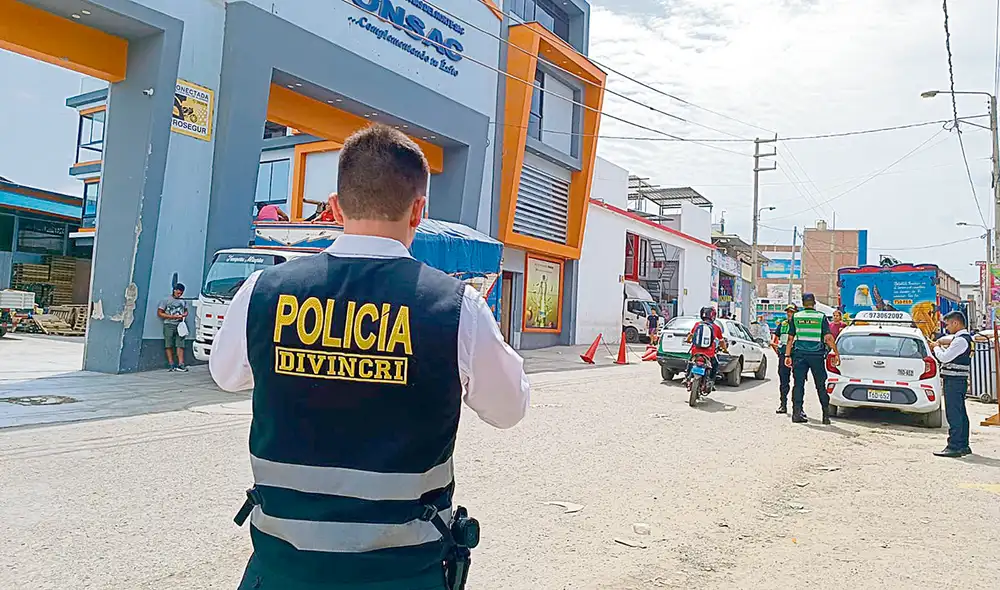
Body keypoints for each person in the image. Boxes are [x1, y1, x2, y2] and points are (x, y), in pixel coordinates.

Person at [209, 125, 530, 589]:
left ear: (335, 207)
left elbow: (226, 375)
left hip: (284, 569)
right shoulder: (456, 307)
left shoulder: (263, 291)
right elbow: (509, 409)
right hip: (404, 573)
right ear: (419, 209)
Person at [784, 293, 840, 424]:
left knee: (798, 385)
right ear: (814, 303)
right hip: (817, 356)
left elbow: (790, 338)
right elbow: (828, 338)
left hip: (799, 355)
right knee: (820, 385)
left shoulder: (796, 317)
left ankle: (796, 414)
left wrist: (787, 355)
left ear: (803, 303)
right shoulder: (821, 317)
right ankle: (826, 416)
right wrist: (836, 353)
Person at [930, 311, 973, 457]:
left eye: (947, 324)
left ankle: (954, 446)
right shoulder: (962, 339)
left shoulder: (961, 340)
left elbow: (944, 358)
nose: (946, 328)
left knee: (954, 414)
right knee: (960, 413)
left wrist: (936, 347)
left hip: (954, 381)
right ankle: (963, 445)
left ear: (956, 323)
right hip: (957, 381)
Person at [686, 306, 725, 387]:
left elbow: (690, 335)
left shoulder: (697, 324)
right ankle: (711, 381)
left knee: (690, 361)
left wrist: (688, 340)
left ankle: (687, 378)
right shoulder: (716, 327)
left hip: (696, 351)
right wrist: (724, 349)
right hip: (709, 354)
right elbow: (722, 341)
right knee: (715, 364)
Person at [157, 283, 189, 372]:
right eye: (178, 293)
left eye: (181, 293)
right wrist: (172, 317)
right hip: (169, 324)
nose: (180, 295)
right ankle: (171, 363)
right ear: (174, 290)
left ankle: (181, 364)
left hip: (180, 325)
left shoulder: (183, 301)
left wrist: (184, 315)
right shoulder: (166, 300)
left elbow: (186, 311)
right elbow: (160, 313)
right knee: (168, 344)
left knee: (180, 344)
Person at [772, 303, 797, 414]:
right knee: (784, 382)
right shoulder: (782, 324)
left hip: (796, 355)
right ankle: (783, 404)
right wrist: (777, 351)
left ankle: (797, 407)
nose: (789, 314)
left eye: (791, 311)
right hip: (783, 355)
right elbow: (774, 340)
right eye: (788, 311)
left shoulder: (799, 324)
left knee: (798, 382)